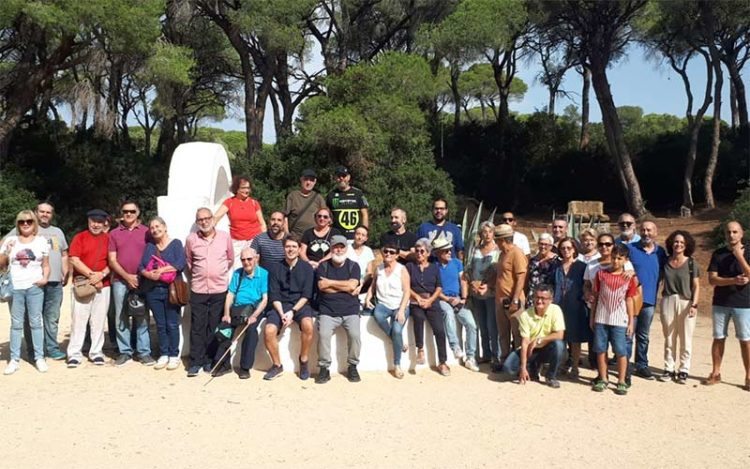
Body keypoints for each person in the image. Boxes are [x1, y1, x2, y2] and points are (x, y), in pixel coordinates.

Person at [9, 202, 69, 361]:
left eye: (48, 212)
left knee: (51, 317)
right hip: (32, 282)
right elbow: (5, 245)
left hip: (54, 281)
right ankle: (33, 351)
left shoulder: (57, 232)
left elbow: (63, 254)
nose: (44, 214)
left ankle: (52, 348)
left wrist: (66, 271)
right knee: (31, 318)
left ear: (52, 214)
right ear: (36, 212)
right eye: (41, 211)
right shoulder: (24, 228)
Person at [185, 208, 234, 377]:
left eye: (207, 218)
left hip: (219, 289)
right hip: (198, 289)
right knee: (197, 327)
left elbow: (230, 259)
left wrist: (216, 273)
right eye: (200, 220)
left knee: (214, 327)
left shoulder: (224, 237)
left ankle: (209, 360)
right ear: (197, 222)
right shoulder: (191, 240)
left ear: (213, 219)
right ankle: (195, 362)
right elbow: (189, 262)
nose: (204, 222)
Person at [1, 211, 50, 374]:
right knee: (16, 324)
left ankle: (39, 357)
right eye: (22, 222)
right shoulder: (11, 240)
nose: (26, 224)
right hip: (15, 287)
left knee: (36, 322)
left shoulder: (41, 242)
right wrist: (7, 252)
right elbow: (1, 263)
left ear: (34, 223)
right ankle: (14, 359)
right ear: (18, 224)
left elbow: (45, 264)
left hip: (35, 287)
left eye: (29, 221)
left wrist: (45, 279)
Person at [703, 221, 750, 391]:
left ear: (741, 233)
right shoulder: (718, 254)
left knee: (745, 340)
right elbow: (712, 279)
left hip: (743, 303)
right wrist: (732, 280)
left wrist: (739, 256)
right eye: (728, 232)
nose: (731, 235)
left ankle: (748, 376)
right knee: (718, 337)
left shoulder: (749, 251)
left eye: (735, 232)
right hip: (721, 303)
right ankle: (716, 372)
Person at [264, 234, 315, 381]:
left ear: (299, 249)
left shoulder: (307, 268)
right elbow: (274, 295)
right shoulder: (275, 268)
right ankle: (277, 365)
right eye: (287, 247)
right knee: (269, 331)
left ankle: (304, 360)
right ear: (283, 248)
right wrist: (282, 314)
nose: (290, 249)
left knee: (308, 325)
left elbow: (306, 295)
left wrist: (292, 312)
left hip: (300, 304)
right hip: (280, 305)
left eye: (294, 246)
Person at [211, 247, 268, 379]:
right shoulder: (238, 273)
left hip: (254, 309)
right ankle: (223, 365)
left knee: (251, 330)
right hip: (237, 308)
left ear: (256, 258)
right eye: (243, 260)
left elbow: (265, 299)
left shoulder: (264, 274)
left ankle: (245, 367)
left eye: (249, 259)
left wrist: (254, 316)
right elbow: (230, 294)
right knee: (224, 329)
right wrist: (226, 313)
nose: (246, 262)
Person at [108, 200, 153, 367]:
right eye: (125, 211)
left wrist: (140, 275)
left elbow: (152, 255)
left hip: (142, 280)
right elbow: (112, 260)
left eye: (132, 211)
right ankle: (125, 351)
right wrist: (127, 277)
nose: (128, 214)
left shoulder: (146, 232)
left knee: (142, 316)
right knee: (121, 317)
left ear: (138, 213)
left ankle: (144, 352)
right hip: (120, 280)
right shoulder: (114, 233)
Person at [138, 217, 186, 371]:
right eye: (152, 228)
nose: (155, 230)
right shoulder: (150, 246)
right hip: (153, 290)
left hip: (171, 289)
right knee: (160, 324)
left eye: (158, 226)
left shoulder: (176, 243)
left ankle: (174, 355)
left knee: (172, 323)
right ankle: (163, 353)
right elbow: (141, 266)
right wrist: (148, 274)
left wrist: (161, 270)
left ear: (165, 227)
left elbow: (180, 264)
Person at [590, 244, 638, 395]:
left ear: (625, 260)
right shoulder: (601, 274)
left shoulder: (628, 278)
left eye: (619, 258)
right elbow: (596, 297)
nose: (616, 261)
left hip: (620, 320)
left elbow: (629, 300)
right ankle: (603, 378)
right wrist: (592, 316)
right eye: (614, 257)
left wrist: (631, 321)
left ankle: (622, 380)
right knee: (600, 349)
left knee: (620, 350)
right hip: (602, 318)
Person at [66, 209, 111, 368]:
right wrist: (92, 276)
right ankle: (74, 353)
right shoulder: (80, 237)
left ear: (104, 223)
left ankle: (96, 351)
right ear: (88, 221)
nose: (96, 225)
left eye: (99, 222)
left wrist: (102, 275)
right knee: (78, 319)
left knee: (98, 320)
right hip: (83, 284)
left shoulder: (108, 239)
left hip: (103, 285)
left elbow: (113, 261)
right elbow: (74, 259)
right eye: (93, 221)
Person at [315, 235, 362, 383]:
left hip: (351, 309)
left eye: (342, 246)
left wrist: (331, 283)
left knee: (355, 335)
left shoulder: (353, 265)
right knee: (323, 335)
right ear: (331, 248)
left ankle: (352, 366)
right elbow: (322, 287)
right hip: (328, 310)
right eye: (336, 246)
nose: (339, 249)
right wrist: (344, 286)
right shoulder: (323, 266)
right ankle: (324, 368)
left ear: (346, 248)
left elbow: (353, 286)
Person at [502, 285, 566, 388]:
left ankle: (551, 376)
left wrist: (539, 340)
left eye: (543, 298)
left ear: (551, 300)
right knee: (508, 369)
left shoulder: (556, 310)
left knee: (559, 345)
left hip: (547, 348)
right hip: (530, 350)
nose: (539, 301)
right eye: (537, 297)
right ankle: (532, 368)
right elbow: (525, 342)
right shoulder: (525, 315)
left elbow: (560, 335)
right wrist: (522, 368)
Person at [627, 220, 667, 381]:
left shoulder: (660, 252)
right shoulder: (631, 249)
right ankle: (626, 364)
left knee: (643, 335)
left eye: (649, 230)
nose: (646, 233)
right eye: (643, 230)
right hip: (631, 299)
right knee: (628, 334)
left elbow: (665, 271)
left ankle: (642, 365)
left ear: (655, 232)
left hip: (649, 300)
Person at [659, 230, 700, 384]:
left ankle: (684, 369)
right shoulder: (666, 262)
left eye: (682, 243)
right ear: (671, 243)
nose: (678, 245)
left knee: (685, 337)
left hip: (686, 301)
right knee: (669, 336)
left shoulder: (691, 263)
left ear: (686, 245)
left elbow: (696, 286)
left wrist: (694, 304)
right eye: (676, 242)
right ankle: (668, 367)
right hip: (668, 299)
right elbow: (659, 280)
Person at [433, 234, 479, 372]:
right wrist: (447, 299)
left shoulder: (457, 263)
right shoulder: (434, 266)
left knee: (471, 324)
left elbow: (463, 281)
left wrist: (463, 298)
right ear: (438, 253)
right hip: (443, 299)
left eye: (449, 250)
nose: (449, 253)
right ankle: (455, 346)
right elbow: (434, 288)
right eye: (445, 251)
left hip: (458, 298)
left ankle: (471, 357)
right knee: (447, 313)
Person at [366, 242, 411, 379]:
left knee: (397, 330)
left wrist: (402, 310)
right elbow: (373, 287)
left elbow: (407, 291)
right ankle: (397, 341)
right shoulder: (378, 269)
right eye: (386, 251)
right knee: (377, 314)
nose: (388, 254)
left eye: (392, 252)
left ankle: (397, 365)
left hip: (400, 305)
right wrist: (368, 298)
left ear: (397, 255)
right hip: (384, 304)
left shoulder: (402, 269)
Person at [407, 238, 449, 375]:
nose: (419, 253)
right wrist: (417, 297)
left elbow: (439, 287)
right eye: (417, 251)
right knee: (418, 318)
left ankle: (442, 362)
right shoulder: (410, 267)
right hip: (415, 301)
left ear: (428, 253)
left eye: (422, 251)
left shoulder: (434, 268)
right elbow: (406, 286)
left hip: (431, 300)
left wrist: (430, 300)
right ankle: (420, 349)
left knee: (439, 330)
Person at [553, 237, 591, 379]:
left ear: (574, 249)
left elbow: (587, 285)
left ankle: (575, 367)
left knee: (575, 339)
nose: (566, 251)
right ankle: (562, 365)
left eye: (569, 248)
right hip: (558, 307)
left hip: (576, 306)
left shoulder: (581, 266)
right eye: (563, 248)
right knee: (560, 338)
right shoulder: (556, 266)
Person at [214, 175, 267, 268]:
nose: (246, 190)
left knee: (254, 268)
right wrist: (209, 233)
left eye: (248, 188)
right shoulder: (229, 202)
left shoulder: (254, 203)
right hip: (237, 242)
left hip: (254, 240)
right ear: (236, 188)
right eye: (243, 188)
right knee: (237, 268)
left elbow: (262, 223)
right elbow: (216, 217)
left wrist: (265, 240)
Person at [494, 224, 528, 367]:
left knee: (518, 333)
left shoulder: (517, 253)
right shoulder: (502, 254)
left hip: (513, 300)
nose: (495, 243)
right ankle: (504, 360)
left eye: (497, 240)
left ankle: (519, 363)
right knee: (503, 333)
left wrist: (515, 299)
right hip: (500, 300)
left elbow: (521, 277)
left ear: (503, 240)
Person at [467, 221, 500, 366]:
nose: (487, 235)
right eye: (484, 232)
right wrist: (472, 283)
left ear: (494, 233)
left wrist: (487, 284)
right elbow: (469, 268)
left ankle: (496, 356)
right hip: (476, 293)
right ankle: (486, 354)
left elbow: (498, 271)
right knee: (482, 325)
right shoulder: (475, 250)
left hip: (491, 292)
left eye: (490, 231)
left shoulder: (498, 250)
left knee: (492, 326)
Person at [326, 166, 369, 240]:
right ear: (335, 178)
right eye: (339, 176)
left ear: (348, 177)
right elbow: (326, 215)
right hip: (337, 237)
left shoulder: (358, 193)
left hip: (355, 237)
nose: (341, 178)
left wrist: (364, 233)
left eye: (344, 176)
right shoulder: (331, 195)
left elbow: (365, 214)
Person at [284, 168, 326, 238]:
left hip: (313, 236)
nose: (308, 182)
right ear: (301, 179)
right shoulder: (293, 196)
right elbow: (285, 216)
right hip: (295, 237)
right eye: (306, 179)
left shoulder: (318, 198)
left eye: (311, 180)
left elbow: (325, 217)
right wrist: (287, 233)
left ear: (315, 182)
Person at [525, 232, 561, 307]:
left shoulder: (556, 261)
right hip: (533, 298)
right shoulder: (532, 261)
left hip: (548, 299)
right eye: (541, 244)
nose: (543, 246)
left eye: (546, 244)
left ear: (551, 246)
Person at [345, 225, 375, 309]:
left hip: (362, 282)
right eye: (358, 234)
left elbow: (369, 271)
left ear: (366, 238)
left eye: (363, 235)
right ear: (354, 235)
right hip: (347, 280)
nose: (360, 237)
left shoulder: (368, 251)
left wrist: (361, 284)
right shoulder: (346, 248)